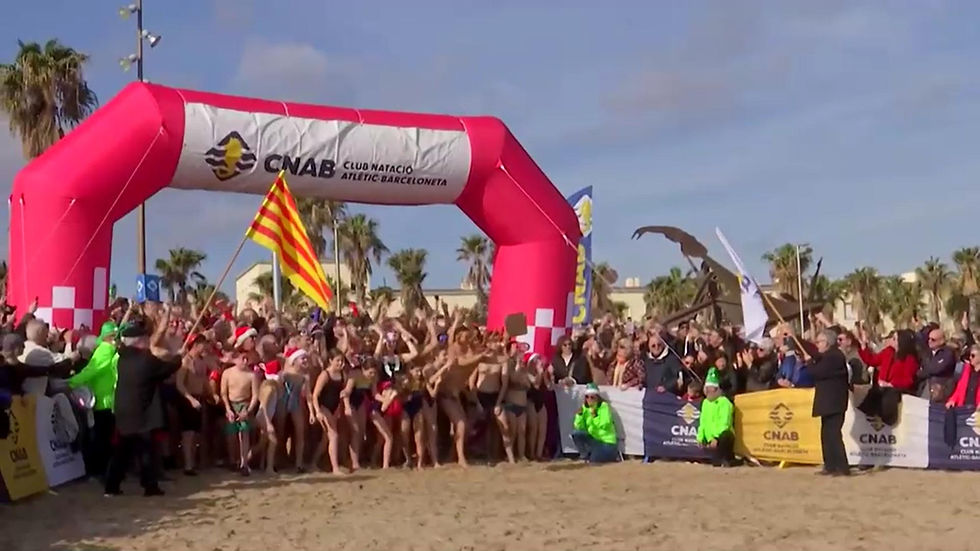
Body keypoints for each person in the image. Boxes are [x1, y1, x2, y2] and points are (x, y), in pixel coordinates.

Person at [104, 320, 181, 496]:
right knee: (147, 450)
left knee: (122, 451)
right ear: (139, 341)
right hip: (142, 411)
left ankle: (112, 486)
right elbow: (166, 369)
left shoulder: (122, 357)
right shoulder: (145, 359)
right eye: (145, 338)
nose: (148, 341)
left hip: (124, 410)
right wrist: (179, 357)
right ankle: (150, 485)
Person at [807, 330, 850, 477]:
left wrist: (808, 362)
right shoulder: (828, 356)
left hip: (834, 402)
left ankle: (842, 467)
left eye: (820, 342)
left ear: (828, 343)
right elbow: (815, 355)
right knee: (826, 434)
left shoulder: (835, 356)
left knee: (833, 434)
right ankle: (830, 465)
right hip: (828, 402)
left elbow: (818, 372)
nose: (817, 344)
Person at [221, 349, 260, 476]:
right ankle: (233, 461)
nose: (244, 361)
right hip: (231, 405)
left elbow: (255, 395)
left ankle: (244, 463)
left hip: (245, 405)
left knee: (244, 433)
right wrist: (228, 409)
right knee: (231, 434)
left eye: (246, 358)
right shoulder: (227, 373)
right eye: (242, 358)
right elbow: (223, 393)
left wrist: (248, 411)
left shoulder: (252, 375)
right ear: (235, 359)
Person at [175, 334, 209, 475]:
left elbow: (204, 381)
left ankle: (193, 463)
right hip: (188, 399)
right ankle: (188, 465)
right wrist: (190, 399)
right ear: (196, 345)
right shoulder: (185, 361)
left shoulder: (201, 361)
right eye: (203, 344)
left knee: (195, 434)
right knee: (188, 434)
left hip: (200, 398)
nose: (205, 347)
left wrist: (212, 394)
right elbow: (180, 384)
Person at [570, 383, 619, 464]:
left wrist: (595, 416)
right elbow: (578, 427)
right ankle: (584, 456)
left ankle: (601, 456)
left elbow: (604, 424)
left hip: (606, 442)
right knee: (576, 433)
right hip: (594, 440)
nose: (589, 399)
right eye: (587, 397)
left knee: (594, 461)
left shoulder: (604, 407)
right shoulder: (585, 408)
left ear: (597, 397)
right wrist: (579, 415)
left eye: (592, 397)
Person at [697, 368, 735, 467]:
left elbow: (724, 423)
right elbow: (703, 422)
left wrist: (716, 438)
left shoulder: (724, 403)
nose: (708, 392)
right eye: (707, 389)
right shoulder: (705, 403)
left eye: (711, 389)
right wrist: (700, 438)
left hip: (721, 438)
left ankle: (727, 459)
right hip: (710, 439)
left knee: (726, 436)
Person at [918, 328, 956, 403]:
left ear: (942, 341)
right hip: (925, 387)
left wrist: (926, 370)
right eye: (928, 339)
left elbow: (938, 369)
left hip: (941, 389)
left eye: (933, 340)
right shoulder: (927, 353)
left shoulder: (948, 353)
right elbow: (919, 372)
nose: (929, 341)